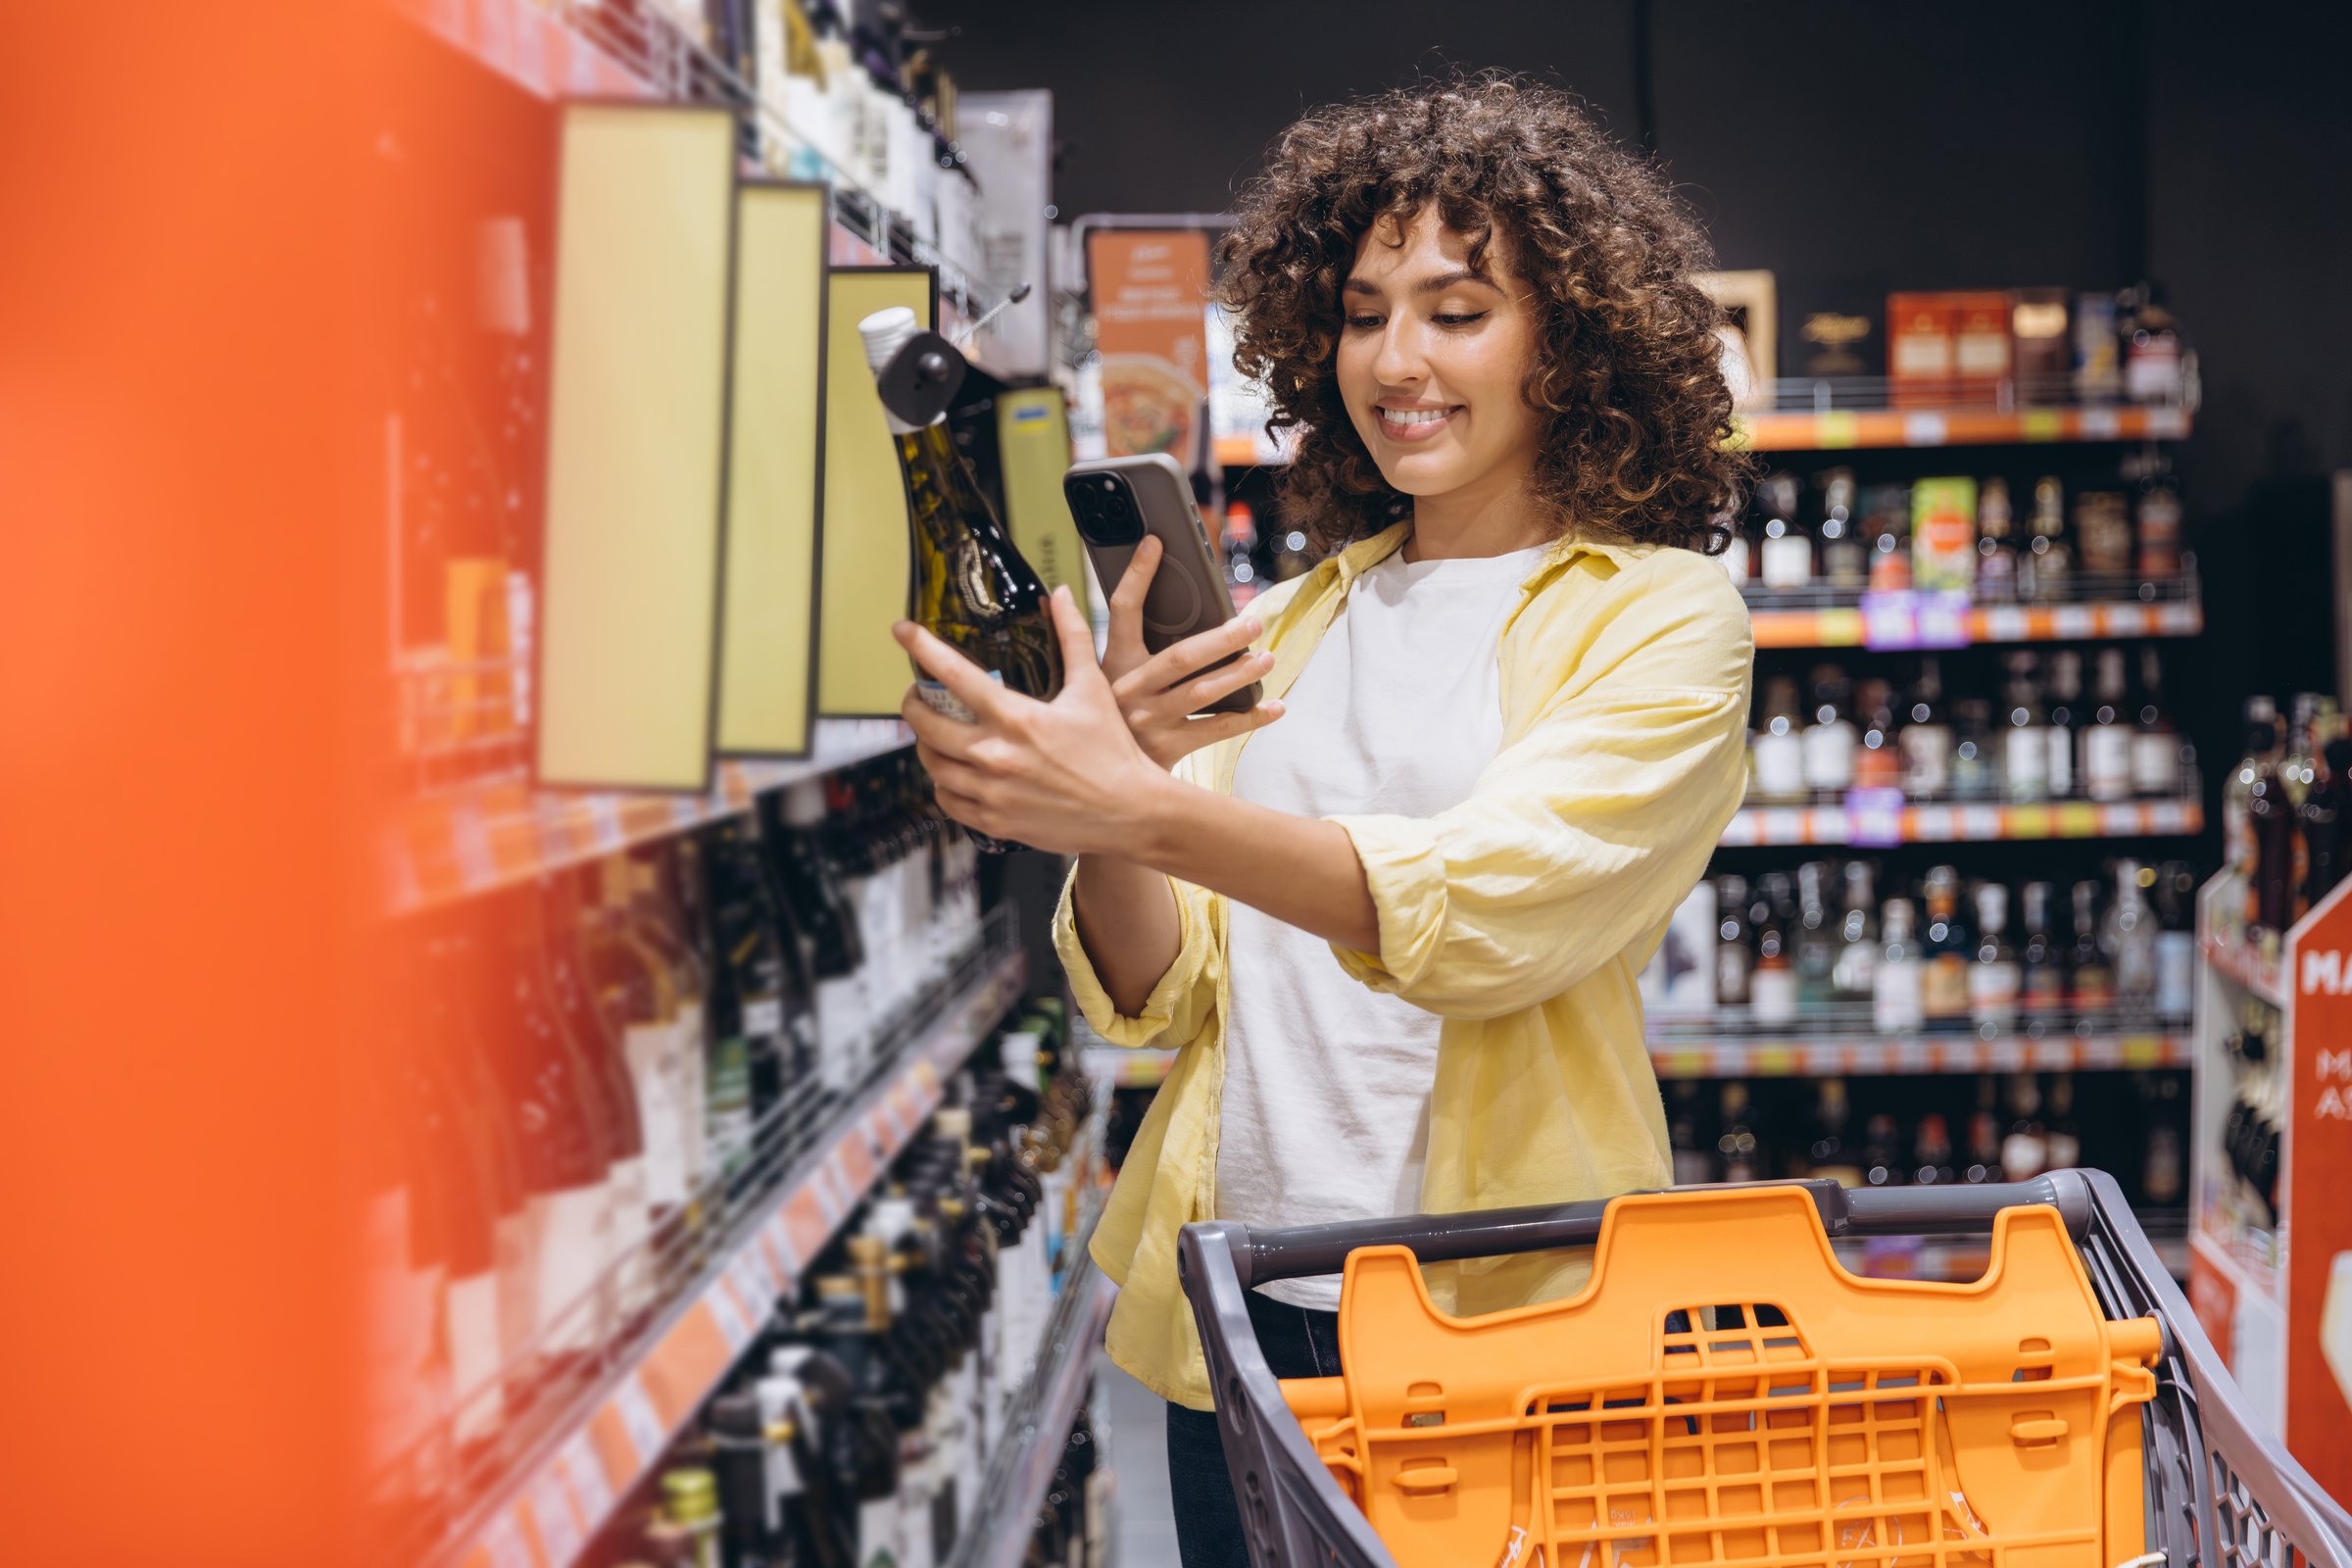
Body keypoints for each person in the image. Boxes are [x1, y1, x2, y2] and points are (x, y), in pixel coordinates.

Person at [894, 73, 1754, 1568]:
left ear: (1573, 340)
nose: (1397, 360)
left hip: (1510, 1331)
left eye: (1457, 309)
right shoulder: (1282, 628)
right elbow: (1164, 992)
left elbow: (1492, 909)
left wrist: (1145, 812)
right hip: (1249, 1315)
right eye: (1362, 313)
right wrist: (1122, 808)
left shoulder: (1667, 620)